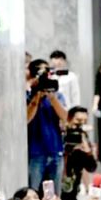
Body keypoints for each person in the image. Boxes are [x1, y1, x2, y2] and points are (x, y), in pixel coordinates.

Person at [27, 59, 68, 193]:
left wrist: (52, 98)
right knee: (32, 193)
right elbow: (26, 119)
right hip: (35, 152)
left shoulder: (57, 96)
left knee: (54, 196)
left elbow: (65, 117)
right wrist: (37, 97)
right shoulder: (28, 96)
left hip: (55, 150)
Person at [59, 106, 99, 200]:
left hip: (71, 192)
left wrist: (87, 151)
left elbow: (91, 168)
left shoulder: (83, 137)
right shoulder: (60, 134)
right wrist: (65, 151)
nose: (80, 125)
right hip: (56, 190)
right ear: (69, 119)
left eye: (84, 121)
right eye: (77, 120)